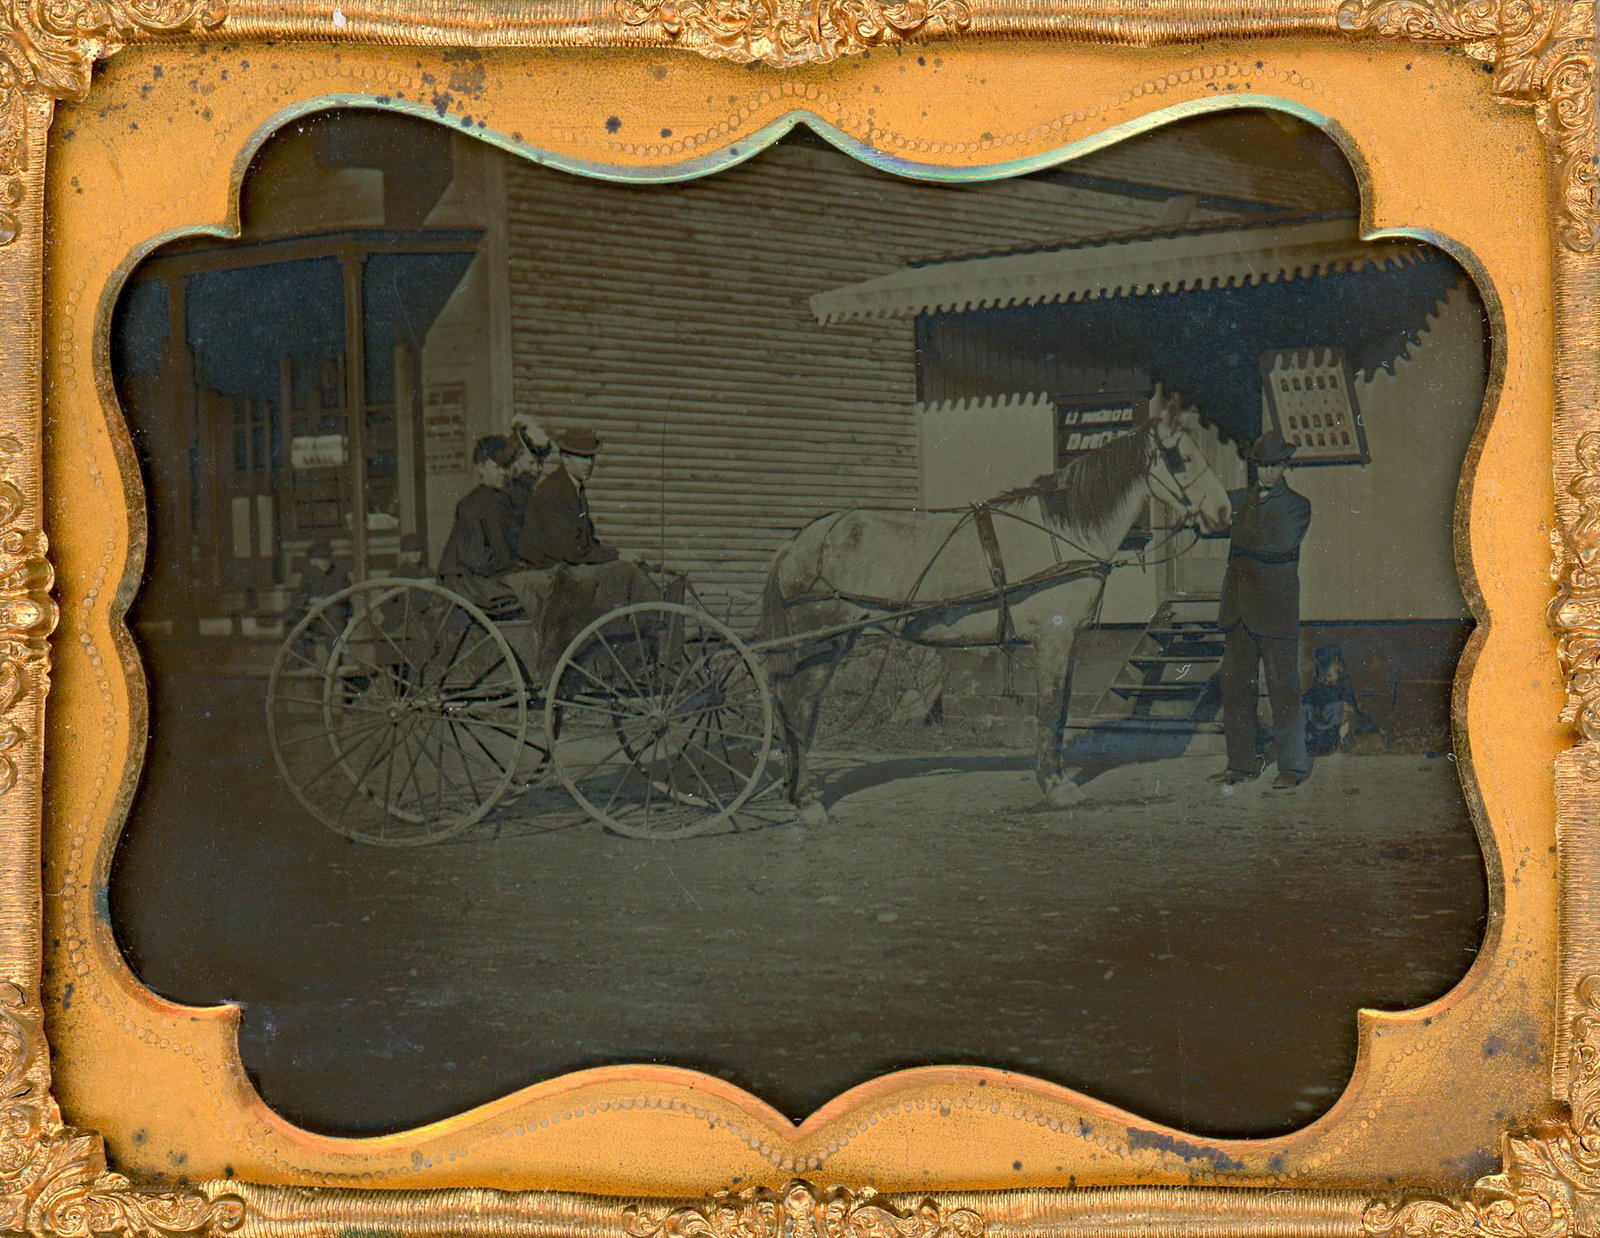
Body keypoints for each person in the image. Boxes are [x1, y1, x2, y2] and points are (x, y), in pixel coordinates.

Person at [1212, 430, 1313, 789]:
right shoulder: (1239, 501)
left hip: (1275, 614)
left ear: (1284, 466)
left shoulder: (1298, 506)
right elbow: (1211, 512)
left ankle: (1293, 766)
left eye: (1274, 465)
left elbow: (1276, 544)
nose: (1267, 472)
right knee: (1236, 690)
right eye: (1261, 466)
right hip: (1238, 613)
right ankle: (1241, 764)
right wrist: (1198, 515)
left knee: (1283, 690)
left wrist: (1231, 528)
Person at [436, 435, 523, 613]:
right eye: (497, 467)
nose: (503, 473)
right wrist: (510, 567)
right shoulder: (470, 505)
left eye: (506, 467)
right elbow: (475, 558)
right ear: (481, 468)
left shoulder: (504, 500)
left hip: (490, 576)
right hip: (465, 582)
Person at [517, 426, 620, 569]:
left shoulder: (575, 488)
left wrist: (616, 555)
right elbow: (573, 550)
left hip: (566, 568)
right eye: (582, 457)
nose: (589, 464)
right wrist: (616, 556)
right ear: (565, 459)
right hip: (546, 573)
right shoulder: (553, 491)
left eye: (591, 457)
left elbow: (587, 542)